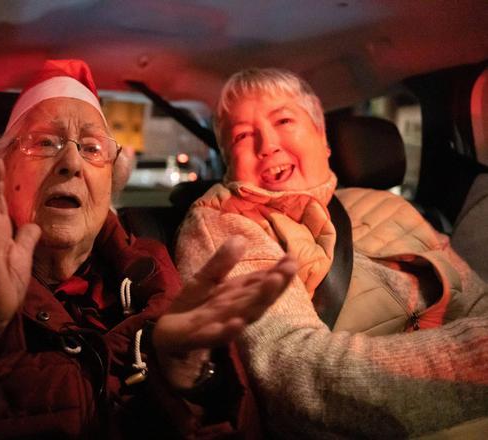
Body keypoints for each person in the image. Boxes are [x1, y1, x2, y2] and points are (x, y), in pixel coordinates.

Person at [0, 60, 298, 439]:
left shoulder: (151, 271)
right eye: (44, 142)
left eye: (92, 148)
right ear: (0, 166)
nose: (71, 162)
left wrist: (186, 379)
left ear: (110, 183)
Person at [175, 67, 488, 438]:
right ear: (228, 162)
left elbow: (476, 303)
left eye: (284, 120)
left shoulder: (392, 207)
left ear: (323, 137)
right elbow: (293, 374)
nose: (268, 144)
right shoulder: (226, 223)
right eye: (243, 135)